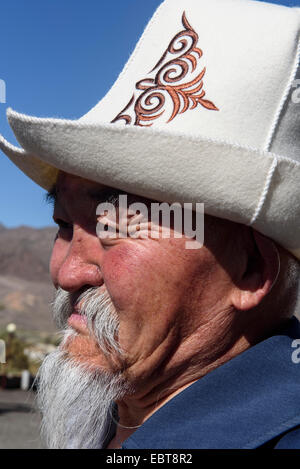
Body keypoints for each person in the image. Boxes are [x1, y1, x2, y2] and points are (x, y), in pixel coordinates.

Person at [0, 0, 300, 449]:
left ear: (251, 267)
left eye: (116, 226)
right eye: (63, 223)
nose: (65, 272)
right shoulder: (115, 412)